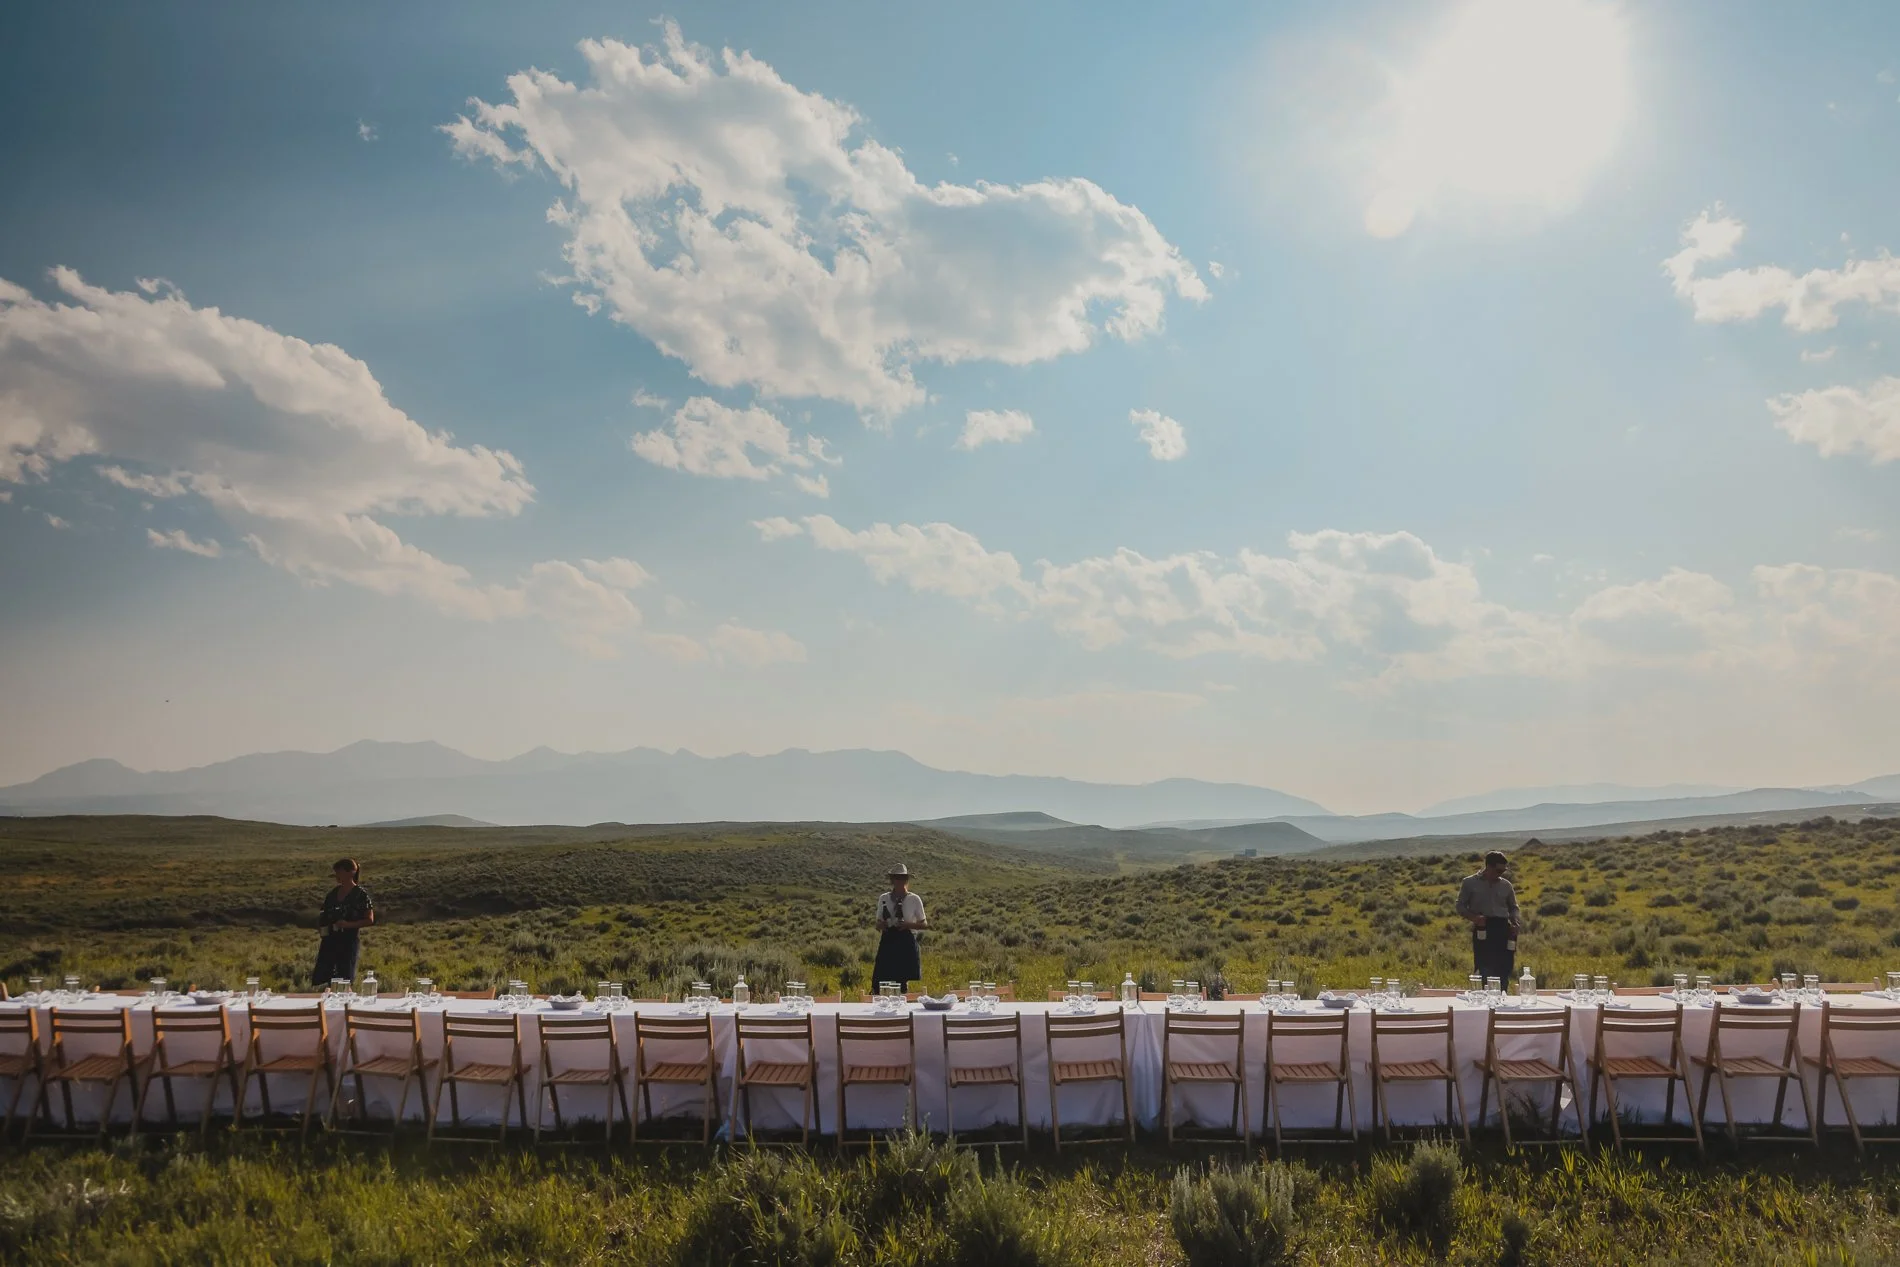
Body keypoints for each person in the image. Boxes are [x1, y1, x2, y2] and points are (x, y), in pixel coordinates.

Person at [1456, 850, 1519, 985]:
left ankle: (1503, 998)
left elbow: (1513, 907)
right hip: (1482, 928)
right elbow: (1460, 906)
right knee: (1484, 967)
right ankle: (1486, 1000)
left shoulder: (1506, 885)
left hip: (1503, 928)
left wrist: (1515, 922)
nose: (1500, 874)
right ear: (1488, 867)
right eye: (1498, 870)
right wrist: (1474, 918)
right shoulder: (1469, 883)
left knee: (1504, 968)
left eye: (1503, 871)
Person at [313, 858, 375, 988]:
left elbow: (369, 919)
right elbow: (323, 915)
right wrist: (321, 927)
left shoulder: (360, 895)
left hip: (348, 943)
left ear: (350, 873)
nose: (336, 876)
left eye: (339, 872)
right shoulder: (332, 894)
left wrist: (348, 925)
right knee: (326, 981)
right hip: (329, 943)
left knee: (344, 982)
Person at [870, 864, 927, 993]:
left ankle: (901, 1006)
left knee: (902, 981)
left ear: (906, 880)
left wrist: (907, 925)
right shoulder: (883, 898)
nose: (899, 881)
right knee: (881, 978)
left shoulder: (914, 899)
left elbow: (923, 924)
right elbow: (877, 923)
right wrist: (882, 925)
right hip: (888, 940)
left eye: (902, 878)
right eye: (896, 878)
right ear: (892, 880)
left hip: (905, 941)